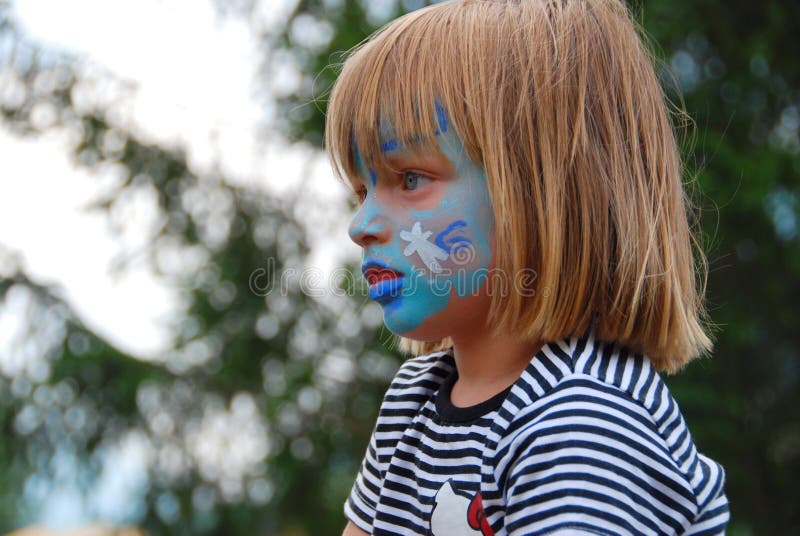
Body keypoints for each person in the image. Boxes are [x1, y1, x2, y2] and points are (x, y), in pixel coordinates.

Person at [324, 0, 730, 534]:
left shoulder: (586, 424)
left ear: (541, 192)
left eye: (410, 178)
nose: (361, 225)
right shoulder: (412, 402)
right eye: (361, 189)